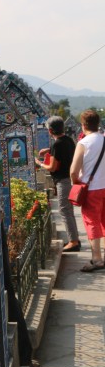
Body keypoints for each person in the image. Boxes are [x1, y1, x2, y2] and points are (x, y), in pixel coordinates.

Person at [35, 115, 80, 252]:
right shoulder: (69, 140)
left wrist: (40, 164)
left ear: (50, 131)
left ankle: (73, 242)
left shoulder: (57, 144)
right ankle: (74, 239)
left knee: (64, 210)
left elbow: (53, 167)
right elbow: (62, 149)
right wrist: (49, 150)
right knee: (68, 211)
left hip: (62, 181)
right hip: (69, 179)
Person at [70, 110, 105, 272]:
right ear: (97, 124)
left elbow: (73, 171)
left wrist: (76, 182)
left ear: (83, 125)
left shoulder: (83, 143)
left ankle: (97, 259)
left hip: (91, 189)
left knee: (92, 222)